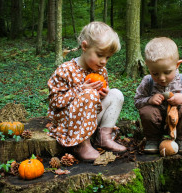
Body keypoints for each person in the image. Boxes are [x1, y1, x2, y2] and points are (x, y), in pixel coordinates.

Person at [47, 21, 127, 162]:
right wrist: (79, 90)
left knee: (116, 94)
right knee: (88, 93)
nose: (104, 61)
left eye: (108, 57)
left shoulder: (101, 70)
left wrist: (103, 94)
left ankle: (104, 137)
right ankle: (81, 145)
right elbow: (54, 102)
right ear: (84, 46)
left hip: (90, 118)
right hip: (68, 123)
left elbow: (99, 99)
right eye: (100, 55)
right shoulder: (66, 70)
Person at [134, 37, 182, 155]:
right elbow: (138, 101)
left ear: (177, 65)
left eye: (167, 72)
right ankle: (153, 140)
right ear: (147, 66)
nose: (161, 78)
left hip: (178, 121)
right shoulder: (147, 81)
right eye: (155, 73)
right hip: (157, 122)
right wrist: (149, 99)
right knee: (146, 111)